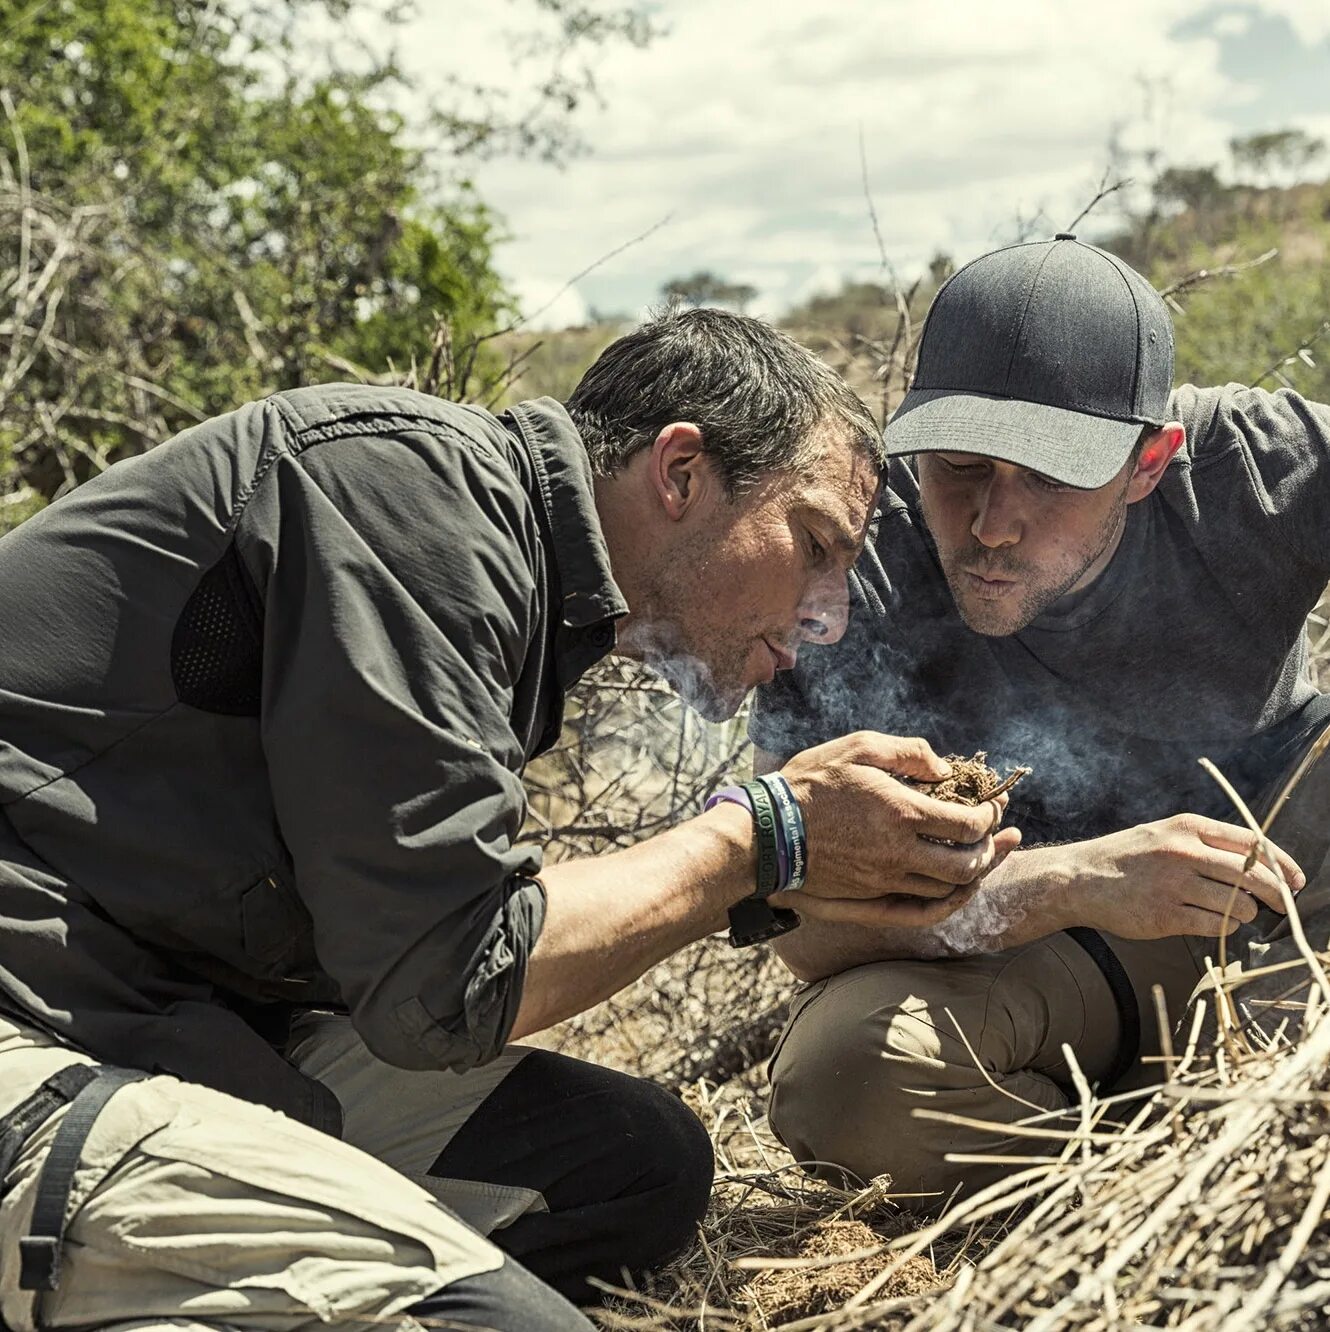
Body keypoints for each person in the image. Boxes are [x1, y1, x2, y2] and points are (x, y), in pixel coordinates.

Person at [0, 308, 1016, 1332]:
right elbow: (442, 983)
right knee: (499, 1322)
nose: (827, 614)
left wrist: (784, 858)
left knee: (630, 1167)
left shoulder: (520, 575)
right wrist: (761, 836)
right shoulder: (415, 500)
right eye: (812, 546)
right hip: (31, 1020)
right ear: (679, 473)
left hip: (147, 1006)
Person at [749, 236, 1330, 1210]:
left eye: (1051, 477)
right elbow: (801, 933)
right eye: (961, 468)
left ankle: (1251, 1105)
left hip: (1292, 893)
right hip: (1057, 950)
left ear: (1149, 461)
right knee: (844, 1078)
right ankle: (1146, 1189)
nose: (991, 524)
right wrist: (1068, 882)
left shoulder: (1256, 466)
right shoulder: (849, 562)